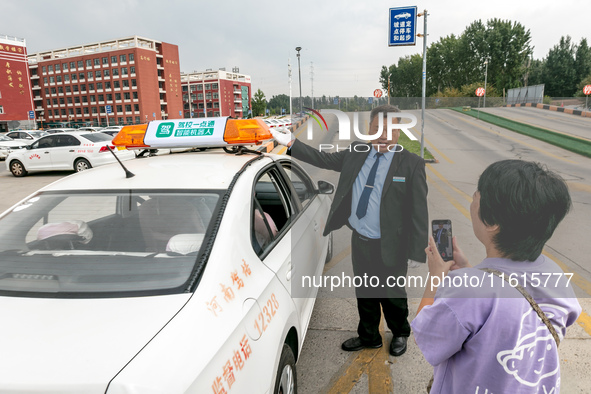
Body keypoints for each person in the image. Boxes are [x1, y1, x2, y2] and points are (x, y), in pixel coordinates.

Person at [271, 105, 428, 357]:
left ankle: (400, 332)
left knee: (393, 294)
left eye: (390, 129)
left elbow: (419, 210)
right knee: (365, 292)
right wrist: (291, 143)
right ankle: (369, 336)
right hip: (361, 240)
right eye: (377, 128)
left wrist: (417, 250)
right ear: (369, 129)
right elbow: (324, 159)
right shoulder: (357, 152)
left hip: (392, 243)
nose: (383, 134)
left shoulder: (411, 164)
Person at [412, 160, 581, 393]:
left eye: (476, 195)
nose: (473, 199)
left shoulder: (468, 290)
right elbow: (508, 298)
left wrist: (436, 277)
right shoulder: (555, 273)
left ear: (491, 222)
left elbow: (426, 335)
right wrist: (470, 271)